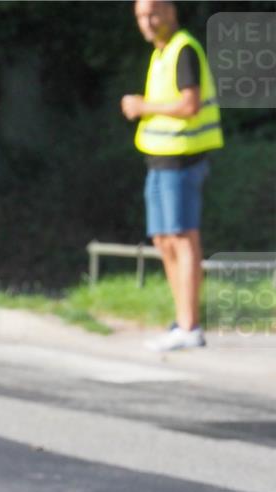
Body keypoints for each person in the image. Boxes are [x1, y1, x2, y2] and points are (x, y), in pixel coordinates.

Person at [121, 0, 223, 351]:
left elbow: (189, 105)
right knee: (164, 240)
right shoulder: (162, 53)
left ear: (170, 10)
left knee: (183, 239)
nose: (147, 22)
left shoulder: (183, 49)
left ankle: (190, 325)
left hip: (183, 160)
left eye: (153, 13)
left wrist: (141, 106)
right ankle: (182, 322)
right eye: (140, 17)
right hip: (160, 162)